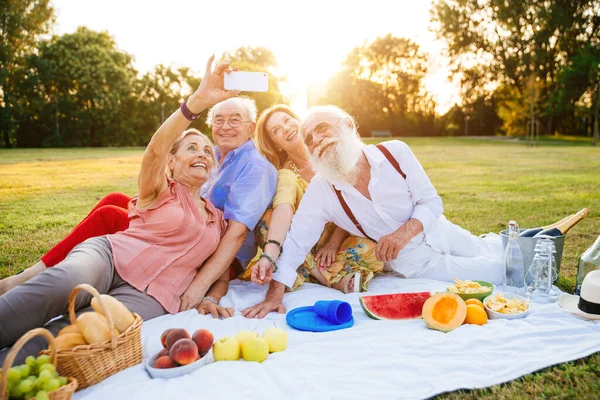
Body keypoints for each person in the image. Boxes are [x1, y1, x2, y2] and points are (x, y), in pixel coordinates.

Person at [0, 57, 236, 364]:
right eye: (191, 147)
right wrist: (196, 103)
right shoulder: (161, 189)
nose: (202, 154)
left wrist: (209, 297)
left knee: (73, 337)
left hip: (153, 299)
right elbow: (154, 150)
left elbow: (221, 272)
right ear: (172, 162)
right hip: (110, 258)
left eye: (207, 151)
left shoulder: (217, 219)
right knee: (62, 283)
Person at [0, 94, 278, 319]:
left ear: (251, 128)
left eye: (235, 120)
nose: (225, 126)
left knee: (110, 215)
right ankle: (35, 275)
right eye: (219, 120)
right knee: (114, 200)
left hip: (216, 251)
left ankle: (28, 279)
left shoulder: (255, 167)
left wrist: (201, 289)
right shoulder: (217, 153)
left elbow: (236, 235)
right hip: (185, 225)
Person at [247, 105, 504, 316]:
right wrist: (274, 295)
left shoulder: (395, 153)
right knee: (499, 272)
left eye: (322, 129)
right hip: (419, 264)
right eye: (310, 141)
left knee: (496, 249)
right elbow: (295, 244)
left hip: (442, 231)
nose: (317, 141)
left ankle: (533, 238)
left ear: (347, 125)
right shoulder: (321, 189)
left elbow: (431, 202)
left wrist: (402, 234)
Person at [240, 105, 384, 318]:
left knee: (375, 249)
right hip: (303, 243)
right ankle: (326, 276)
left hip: (339, 236)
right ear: (276, 145)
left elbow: (351, 207)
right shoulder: (287, 174)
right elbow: (284, 206)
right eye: (276, 130)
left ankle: (305, 271)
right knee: (268, 223)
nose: (286, 128)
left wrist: (334, 244)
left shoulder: (335, 153)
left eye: (288, 120)